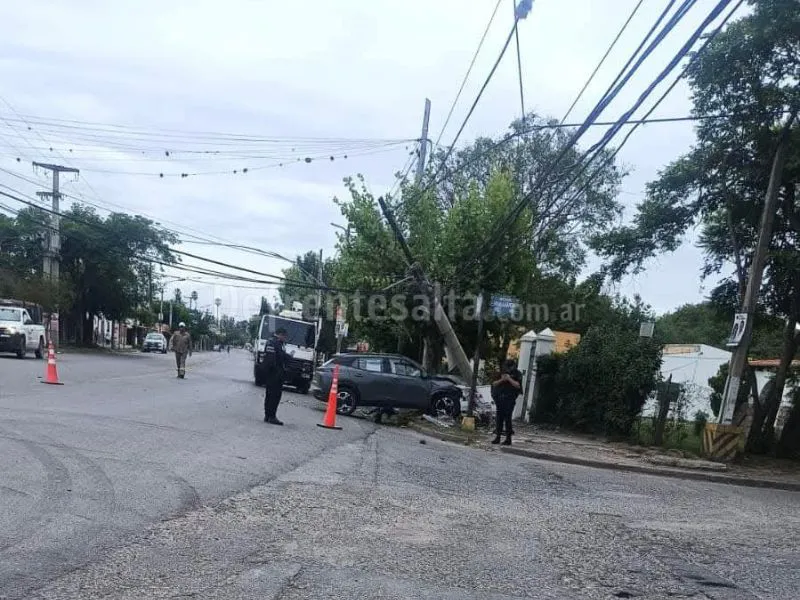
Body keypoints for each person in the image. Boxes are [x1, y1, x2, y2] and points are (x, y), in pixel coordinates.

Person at [491, 359, 522, 445]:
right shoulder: (501, 373)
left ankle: (508, 439)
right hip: (500, 398)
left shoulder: (517, 374)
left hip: (510, 399)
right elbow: (494, 384)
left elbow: (518, 385)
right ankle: (498, 437)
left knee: (508, 419)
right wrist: (502, 380)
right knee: (499, 419)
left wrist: (509, 379)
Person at [263, 327, 288, 425]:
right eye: (284, 336)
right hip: (275, 374)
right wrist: (277, 372)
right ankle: (271, 416)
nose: (285, 339)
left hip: (272, 374)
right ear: (280, 335)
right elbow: (271, 360)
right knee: (274, 395)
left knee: (270, 395)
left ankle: (268, 415)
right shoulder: (274, 343)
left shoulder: (275, 343)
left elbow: (281, 356)